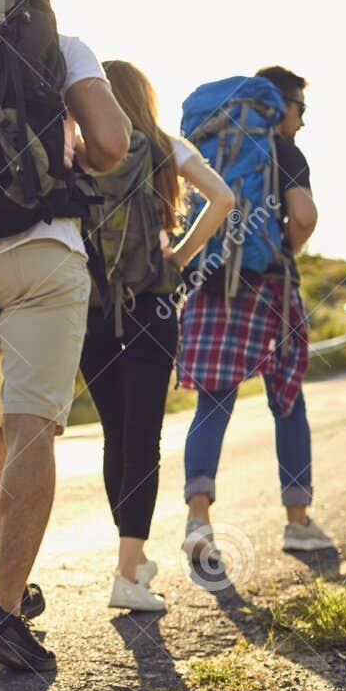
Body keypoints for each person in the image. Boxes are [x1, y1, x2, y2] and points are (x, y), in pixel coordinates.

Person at [0, 0, 131, 668]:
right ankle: (7, 608)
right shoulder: (60, 48)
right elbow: (112, 143)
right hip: (43, 249)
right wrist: (74, 158)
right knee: (31, 427)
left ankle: (8, 598)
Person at [79, 60, 234, 612]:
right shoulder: (167, 146)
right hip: (152, 305)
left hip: (92, 309)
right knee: (144, 437)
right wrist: (180, 256)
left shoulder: (81, 147)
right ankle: (128, 571)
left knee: (115, 434)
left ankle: (131, 562)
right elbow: (223, 199)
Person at [179, 64, 335, 564]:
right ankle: (297, 523)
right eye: (301, 109)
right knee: (288, 405)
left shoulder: (209, 146)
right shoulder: (284, 151)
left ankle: (199, 520)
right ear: (280, 104)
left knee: (213, 405)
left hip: (209, 283)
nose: (303, 122)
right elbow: (305, 217)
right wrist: (277, 252)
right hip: (269, 287)